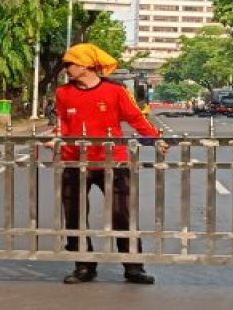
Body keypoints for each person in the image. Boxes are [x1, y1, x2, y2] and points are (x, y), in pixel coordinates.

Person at [52, 43, 167, 285]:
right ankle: (84, 266)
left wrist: (155, 140)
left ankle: (134, 267)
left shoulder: (115, 92)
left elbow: (136, 117)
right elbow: (61, 122)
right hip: (74, 161)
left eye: (69, 64)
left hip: (112, 161)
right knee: (74, 216)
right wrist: (54, 138)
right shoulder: (63, 93)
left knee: (122, 215)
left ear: (85, 66)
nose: (65, 69)